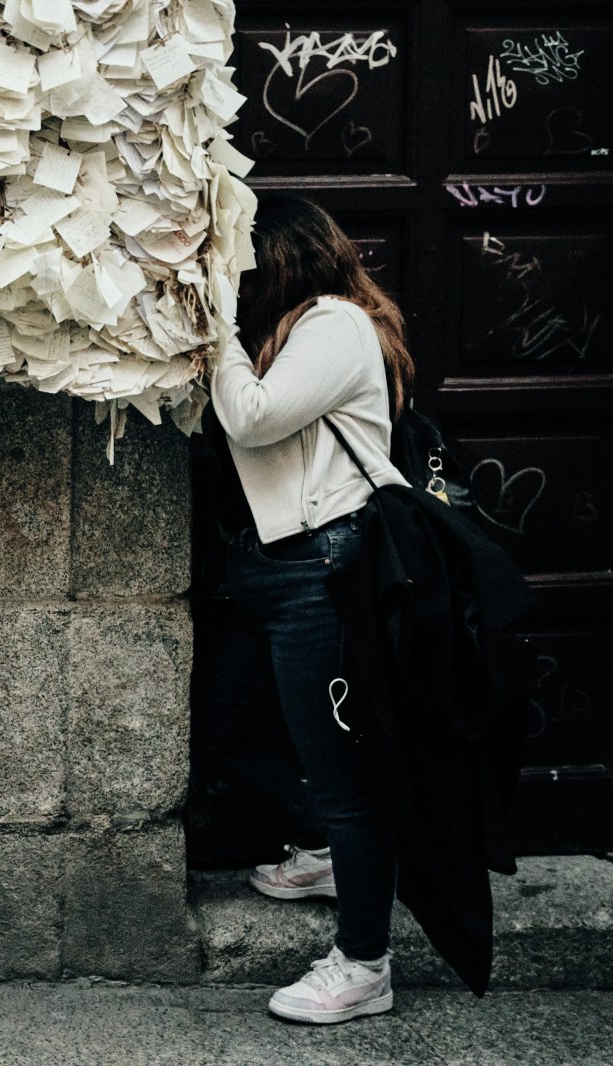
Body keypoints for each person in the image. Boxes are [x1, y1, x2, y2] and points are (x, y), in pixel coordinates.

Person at [200, 193, 414, 1025]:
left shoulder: (333, 324)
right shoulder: (295, 330)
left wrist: (211, 325)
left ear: (283, 262)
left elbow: (253, 419)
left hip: (319, 574)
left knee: (346, 780)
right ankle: (320, 845)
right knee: (214, 726)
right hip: (269, 571)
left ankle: (365, 963)